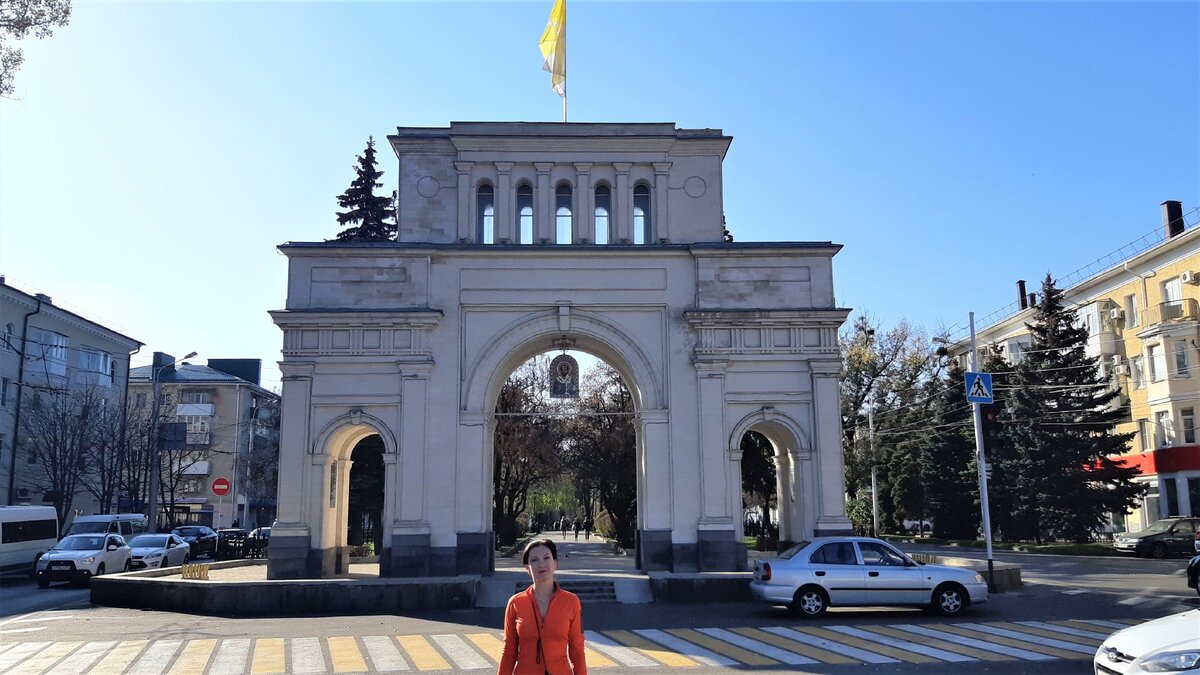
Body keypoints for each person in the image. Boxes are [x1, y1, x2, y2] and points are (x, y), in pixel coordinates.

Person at [498, 538, 587, 675]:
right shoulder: (515, 603)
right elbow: (509, 651)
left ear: (555, 563)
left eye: (546, 558)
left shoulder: (571, 602)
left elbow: (577, 649)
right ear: (527, 568)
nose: (541, 564)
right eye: (534, 560)